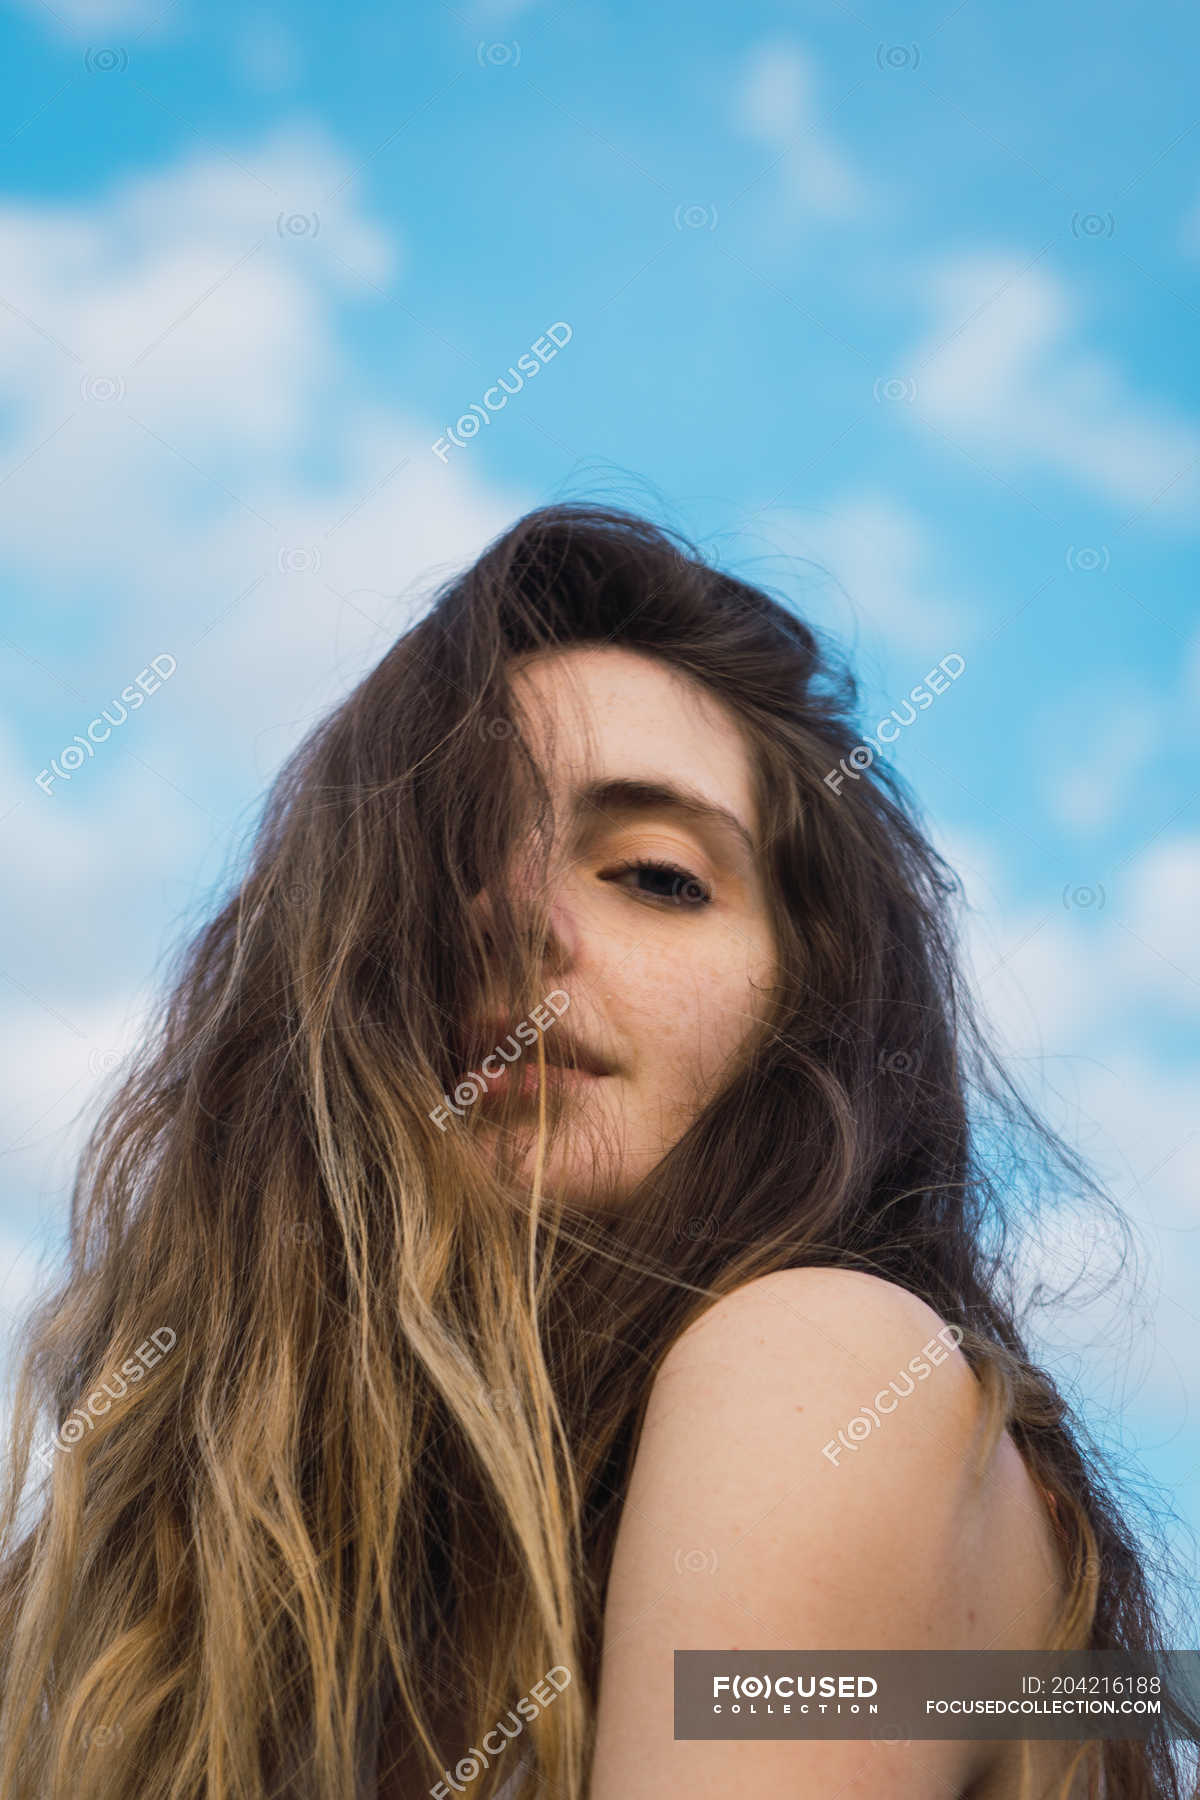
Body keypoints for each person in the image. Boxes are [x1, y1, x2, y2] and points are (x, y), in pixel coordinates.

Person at [0, 503, 1188, 1800]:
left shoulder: (823, 1365)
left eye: (658, 875)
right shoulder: (141, 1606)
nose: (523, 919)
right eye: (444, 864)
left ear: (811, 1007)